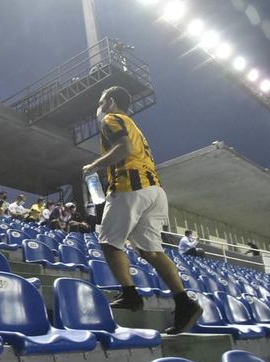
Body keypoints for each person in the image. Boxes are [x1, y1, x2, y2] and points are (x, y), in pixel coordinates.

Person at [82, 86, 202, 334]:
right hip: (155, 190)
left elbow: (123, 149)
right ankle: (184, 303)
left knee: (109, 243)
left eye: (100, 101)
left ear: (111, 101)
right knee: (152, 252)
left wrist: (93, 166)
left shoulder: (110, 118)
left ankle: (130, 294)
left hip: (129, 185)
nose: (98, 106)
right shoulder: (134, 126)